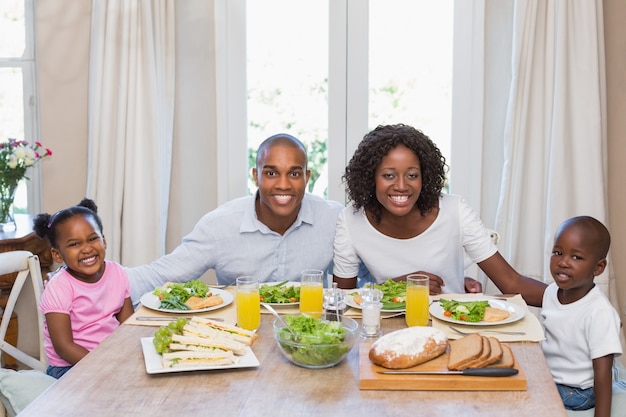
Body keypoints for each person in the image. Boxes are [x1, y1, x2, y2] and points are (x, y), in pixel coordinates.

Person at [332, 123, 546, 307]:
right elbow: (342, 300)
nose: (401, 186)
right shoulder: (351, 220)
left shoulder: (455, 210)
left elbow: (511, 282)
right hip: (382, 328)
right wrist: (394, 288)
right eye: (389, 175)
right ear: (371, 177)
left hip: (451, 326)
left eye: (412, 175)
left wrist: (573, 299)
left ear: (424, 176)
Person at [126, 133, 344, 305]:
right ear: (256, 176)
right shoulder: (219, 225)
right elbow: (161, 275)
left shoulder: (333, 218)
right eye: (271, 173)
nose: (283, 185)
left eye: (294, 174)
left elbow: (364, 275)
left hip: (311, 336)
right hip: (239, 335)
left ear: (307, 177)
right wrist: (100, 278)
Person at [33, 198, 134, 378]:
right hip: (69, 366)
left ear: (104, 240)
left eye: (92, 239)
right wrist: (104, 367)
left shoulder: (117, 272)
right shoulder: (59, 287)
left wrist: (124, 359)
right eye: (74, 244)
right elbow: (64, 347)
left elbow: (127, 326)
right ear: (57, 254)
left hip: (110, 358)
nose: (87, 249)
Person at [540, 216, 622, 415]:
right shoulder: (552, 292)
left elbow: (602, 373)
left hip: (578, 391)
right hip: (553, 375)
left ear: (598, 267)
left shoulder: (598, 312)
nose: (563, 262)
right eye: (558, 253)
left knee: (527, 396)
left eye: (576, 257)